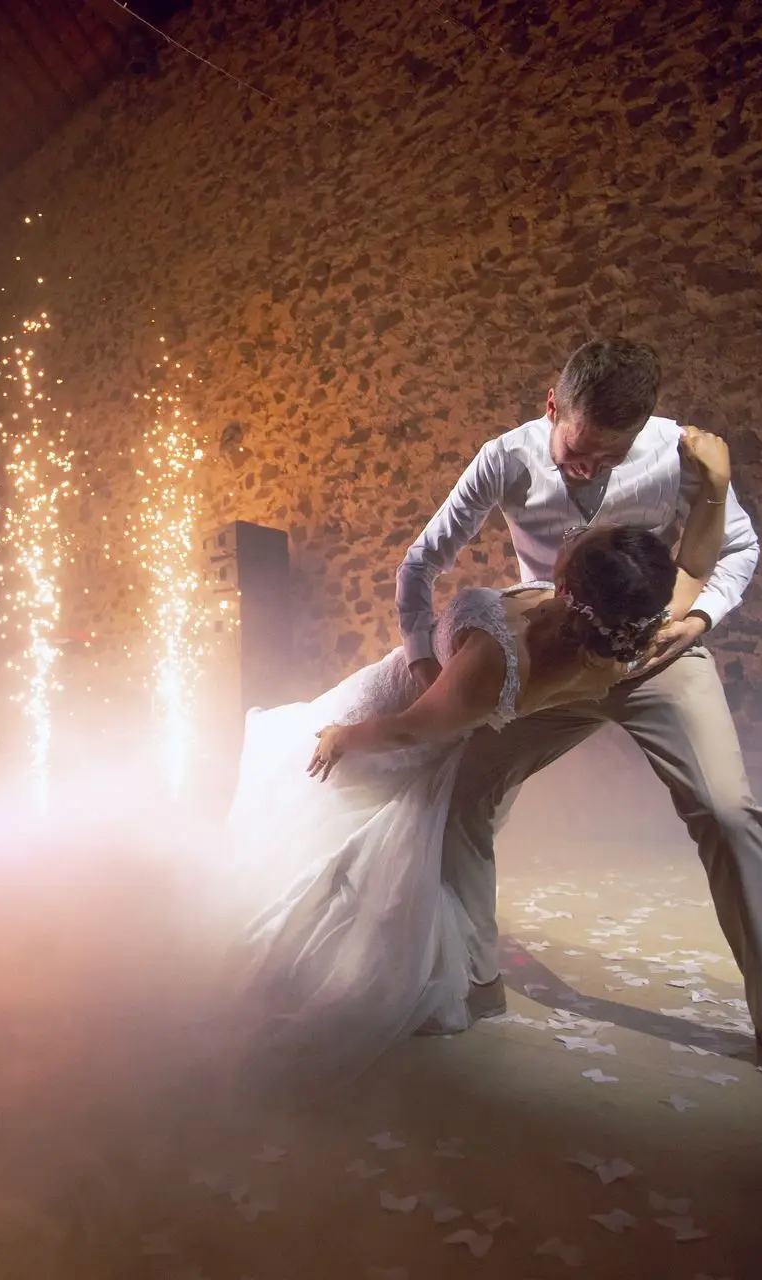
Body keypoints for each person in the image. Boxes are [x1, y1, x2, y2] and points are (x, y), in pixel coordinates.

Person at [396, 337, 762, 1110]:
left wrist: (698, 619)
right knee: (462, 794)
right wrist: (420, 659)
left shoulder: (677, 454)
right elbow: (420, 564)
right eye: (577, 453)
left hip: (654, 654)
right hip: (552, 659)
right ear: (552, 408)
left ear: (639, 432)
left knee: (728, 811)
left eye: (609, 458)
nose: (589, 470)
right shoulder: (504, 460)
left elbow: (737, 548)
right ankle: (476, 978)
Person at [228, 425, 730, 1084]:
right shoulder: (634, 638)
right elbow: (694, 571)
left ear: (567, 584)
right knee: (367, 846)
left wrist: (343, 737)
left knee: (329, 828)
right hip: (433, 716)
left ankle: (323, 963)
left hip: (390, 714)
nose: (577, 533)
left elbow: (410, 729)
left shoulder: (499, 657)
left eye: (583, 542)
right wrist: (715, 485)